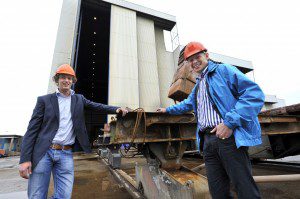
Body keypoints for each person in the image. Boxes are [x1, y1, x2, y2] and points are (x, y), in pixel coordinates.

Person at [157, 42, 264, 199]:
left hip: (227, 138)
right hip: (207, 142)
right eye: (190, 60)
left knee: (244, 189)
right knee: (218, 191)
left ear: (206, 56)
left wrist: (229, 123)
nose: (194, 62)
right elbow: (187, 104)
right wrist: (167, 110)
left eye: (197, 57)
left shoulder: (223, 70)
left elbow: (254, 94)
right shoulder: (199, 83)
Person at [19, 64, 128, 198]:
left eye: (69, 78)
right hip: (44, 152)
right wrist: (24, 159)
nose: (66, 80)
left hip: (65, 153)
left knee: (64, 195)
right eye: (63, 77)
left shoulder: (79, 99)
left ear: (72, 81)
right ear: (57, 80)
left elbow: (97, 106)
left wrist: (116, 109)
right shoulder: (44, 101)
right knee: (37, 195)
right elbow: (31, 130)